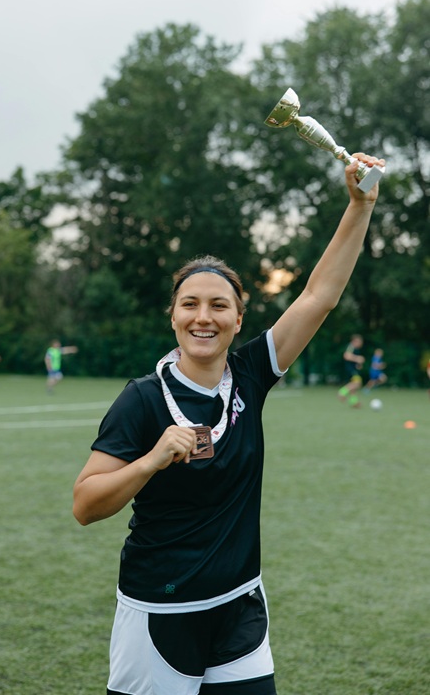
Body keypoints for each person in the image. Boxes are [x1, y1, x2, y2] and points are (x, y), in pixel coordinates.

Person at [73, 153, 384, 695]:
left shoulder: (250, 375)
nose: (204, 317)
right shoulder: (142, 401)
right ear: (172, 315)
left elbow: (319, 296)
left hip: (240, 605)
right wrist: (150, 460)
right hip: (160, 613)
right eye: (189, 304)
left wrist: (360, 205)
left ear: (238, 319)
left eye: (219, 306)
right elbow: (85, 504)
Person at [337, 334, 365, 408]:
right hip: (351, 370)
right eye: (359, 342)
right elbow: (346, 356)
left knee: (354, 387)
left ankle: (354, 402)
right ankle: (342, 392)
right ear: (354, 341)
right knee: (357, 383)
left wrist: (358, 364)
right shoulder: (351, 346)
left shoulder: (355, 349)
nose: (360, 344)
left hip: (353, 369)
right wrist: (358, 358)